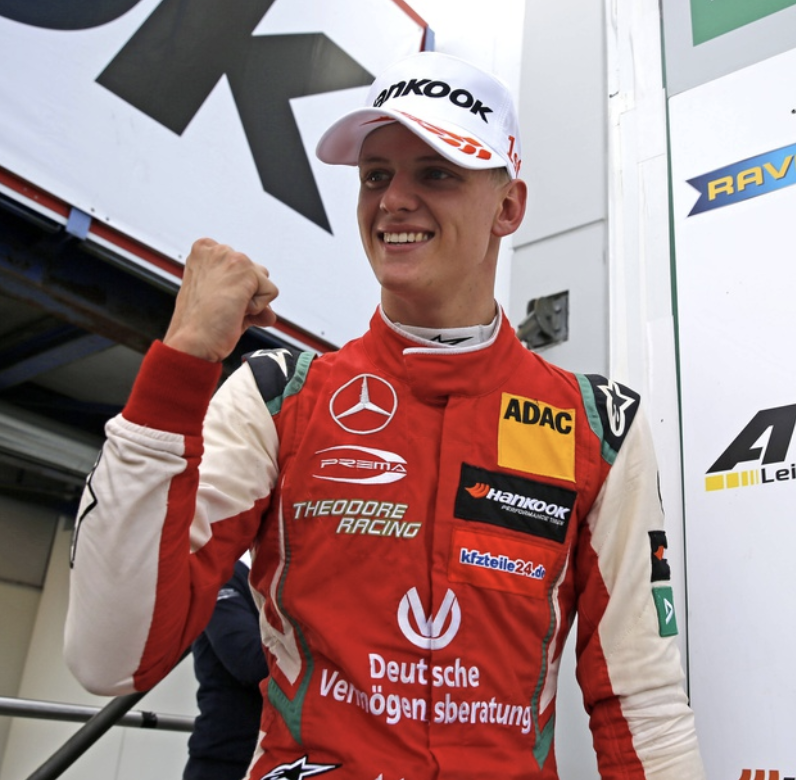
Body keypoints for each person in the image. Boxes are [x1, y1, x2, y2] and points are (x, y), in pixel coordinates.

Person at [64, 51, 706, 779]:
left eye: (435, 173)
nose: (394, 199)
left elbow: (643, 705)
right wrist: (179, 366)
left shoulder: (599, 425)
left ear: (508, 207)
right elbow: (109, 656)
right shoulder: (277, 397)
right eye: (375, 176)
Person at [184, 559, 267, 780]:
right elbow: (248, 662)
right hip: (226, 758)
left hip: (282, 754)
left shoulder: (286, 588)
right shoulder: (222, 575)